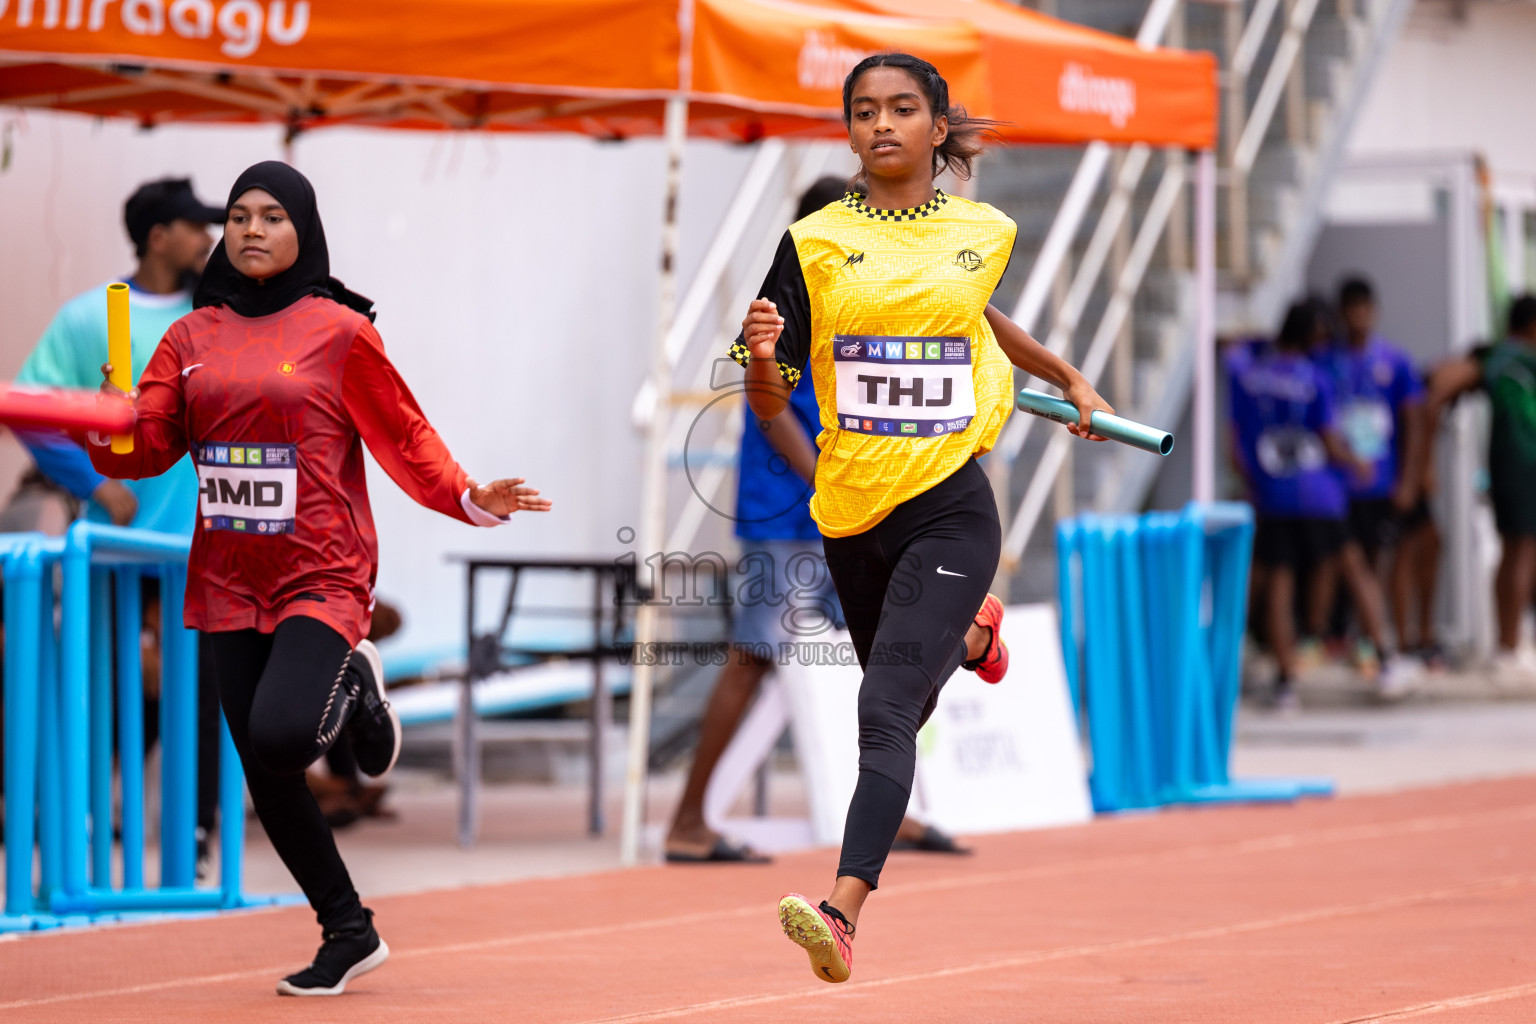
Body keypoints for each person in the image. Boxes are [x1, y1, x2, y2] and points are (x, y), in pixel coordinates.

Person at [88, 161, 550, 997]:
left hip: (321, 572)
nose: (251, 229)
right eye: (238, 216)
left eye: (271, 215)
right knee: (265, 771)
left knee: (280, 737)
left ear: (303, 229)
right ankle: (349, 929)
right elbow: (148, 449)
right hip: (228, 574)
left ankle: (356, 683)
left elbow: (405, 438)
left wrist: (469, 496)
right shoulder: (189, 338)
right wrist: (111, 419)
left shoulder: (339, 331)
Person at [734, 53, 1113, 983]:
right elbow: (767, 395)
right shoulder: (812, 244)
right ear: (850, 128)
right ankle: (977, 639)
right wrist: (761, 357)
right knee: (904, 698)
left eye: (904, 109)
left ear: (938, 128)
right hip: (853, 512)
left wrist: (1063, 375)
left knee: (886, 708)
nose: (883, 124)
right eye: (865, 111)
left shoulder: (982, 230)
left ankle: (842, 911)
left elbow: (979, 319)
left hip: (951, 504)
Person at [665, 176, 966, 865]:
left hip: (852, 511)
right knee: (754, 659)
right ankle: (687, 820)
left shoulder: (855, 303)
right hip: (790, 518)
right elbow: (768, 411)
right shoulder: (781, 308)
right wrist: (833, 483)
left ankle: (899, 808)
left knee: (885, 656)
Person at [7, 177, 227, 874]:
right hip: (116, 545)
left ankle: (191, 833)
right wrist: (95, 482)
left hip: (206, 539)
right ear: (159, 236)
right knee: (101, 680)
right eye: (197, 227)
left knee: (204, 685)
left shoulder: (218, 313)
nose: (209, 239)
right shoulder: (92, 317)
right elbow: (27, 408)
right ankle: (76, 826)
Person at [1229, 300, 1414, 710]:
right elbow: (1328, 439)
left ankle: (1285, 682)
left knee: (1279, 581)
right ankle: (1384, 658)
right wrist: (1355, 460)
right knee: (1353, 567)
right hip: (1317, 492)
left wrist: (1255, 483)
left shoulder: (1250, 376)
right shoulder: (1315, 378)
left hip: (1273, 492)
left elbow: (1235, 445)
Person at [1311, 278, 1430, 675]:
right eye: (1351, 309)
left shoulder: (1394, 361)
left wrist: (1410, 479)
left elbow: (1414, 422)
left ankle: (1368, 639)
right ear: (1342, 313)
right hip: (1336, 485)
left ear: (1374, 311)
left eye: (1365, 309)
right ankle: (1334, 637)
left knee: (1373, 560)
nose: (1359, 317)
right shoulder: (1327, 361)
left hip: (1379, 481)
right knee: (1338, 560)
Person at [1418, 294, 1536, 682]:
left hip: (1507, 468)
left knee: (1513, 552)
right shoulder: (1511, 358)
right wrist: (1424, 457)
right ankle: (1509, 646)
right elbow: (1438, 384)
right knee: (1523, 553)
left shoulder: (1498, 357)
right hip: (1524, 467)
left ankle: (1508, 643)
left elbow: (1434, 379)